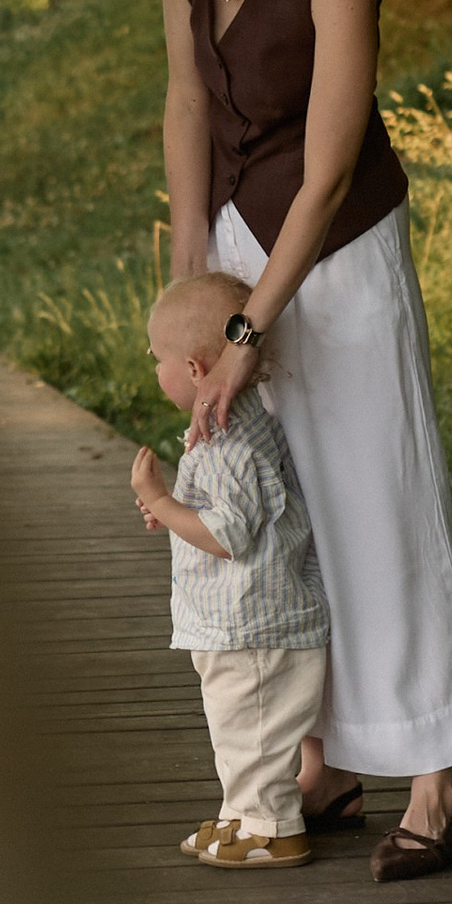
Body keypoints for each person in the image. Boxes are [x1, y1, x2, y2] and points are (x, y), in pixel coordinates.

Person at [142, 0, 452, 883]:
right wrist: (194, 277)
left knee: (378, 494)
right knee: (281, 515)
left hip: (335, 252)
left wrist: (250, 327)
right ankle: (325, 757)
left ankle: (434, 776)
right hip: (235, 239)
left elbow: (331, 162)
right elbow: (189, 104)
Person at [130, 272, 330, 871]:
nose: (154, 369)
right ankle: (243, 814)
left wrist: (165, 504)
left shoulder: (232, 448)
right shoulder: (229, 429)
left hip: (257, 628)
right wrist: (175, 516)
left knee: (257, 732)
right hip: (236, 624)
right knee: (237, 729)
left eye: (157, 360)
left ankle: (274, 828)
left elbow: (225, 536)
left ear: (194, 370)